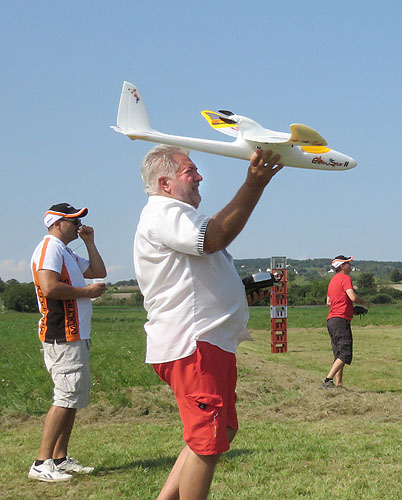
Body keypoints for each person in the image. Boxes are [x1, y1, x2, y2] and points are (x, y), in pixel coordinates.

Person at [134, 144, 282, 500]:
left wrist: (238, 297)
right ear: (165, 182)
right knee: (206, 443)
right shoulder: (165, 213)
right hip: (194, 344)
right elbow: (215, 237)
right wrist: (254, 184)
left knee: (221, 432)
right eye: (190, 171)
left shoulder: (176, 216)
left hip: (208, 343)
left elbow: (196, 276)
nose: (199, 177)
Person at [28, 203, 107, 482]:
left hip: (75, 333)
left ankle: (59, 459)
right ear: (57, 222)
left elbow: (99, 270)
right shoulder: (50, 247)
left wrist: (90, 242)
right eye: (73, 221)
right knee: (64, 397)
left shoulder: (67, 252)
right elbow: (49, 287)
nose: (78, 225)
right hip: (62, 332)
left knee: (72, 397)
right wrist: (87, 292)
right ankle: (41, 462)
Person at [323, 256, 369, 388]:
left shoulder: (332, 281)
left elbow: (329, 302)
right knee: (345, 353)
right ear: (342, 266)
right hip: (340, 320)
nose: (351, 265)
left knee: (338, 354)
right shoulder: (345, 278)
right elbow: (353, 297)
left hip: (332, 320)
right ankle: (327, 381)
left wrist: (350, 310)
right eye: (348, 263)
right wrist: (364, 302)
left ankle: (339, 384)